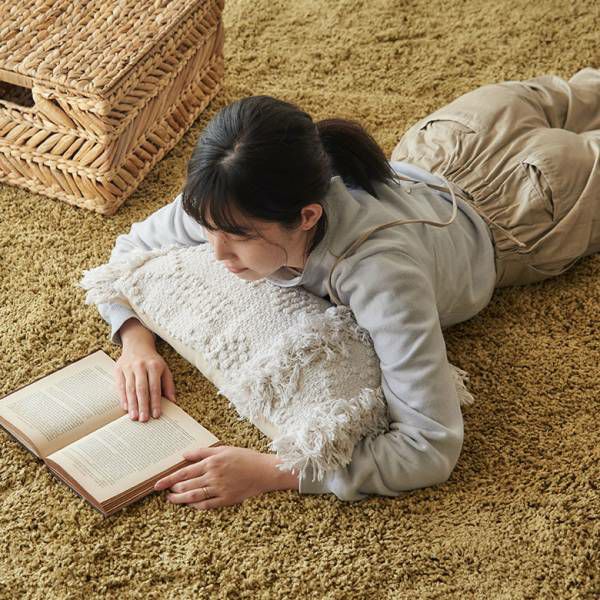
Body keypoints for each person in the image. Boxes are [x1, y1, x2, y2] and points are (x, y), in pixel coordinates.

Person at [95, 67, 600, 509]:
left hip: (535, 206)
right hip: (449, 140)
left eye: (239, 238)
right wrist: (136, 341)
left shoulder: (381, 276)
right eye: (207, 230)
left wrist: (274, 472)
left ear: (306, 216)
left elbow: (430, 446)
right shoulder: (230, 198)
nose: (217, 252)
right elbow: (132, 250)